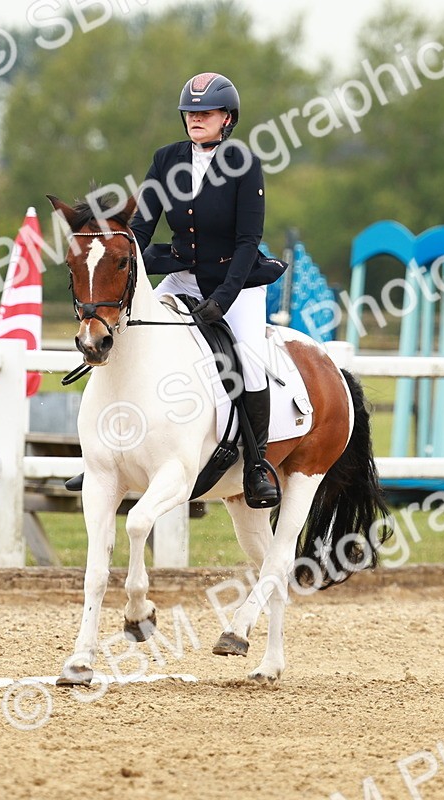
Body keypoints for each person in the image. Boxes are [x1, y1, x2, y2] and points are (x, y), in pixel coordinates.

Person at [131, 72, 287, 509]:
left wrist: (222, 300)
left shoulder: (244, 162)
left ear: (227, 119)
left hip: (236, 281)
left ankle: (257, 465)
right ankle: (114, 451)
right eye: (190, 113)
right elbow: (141, 228)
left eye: (206, 113)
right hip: (181, 275)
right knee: (133, 334)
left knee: (250, 362)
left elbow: (246, 242)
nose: (196, 119)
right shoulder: (165, 161)